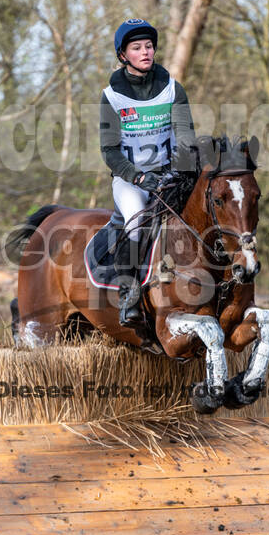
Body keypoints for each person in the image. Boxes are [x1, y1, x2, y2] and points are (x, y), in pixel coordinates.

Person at [100, 19, 196, 326]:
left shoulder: (171, 89)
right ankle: (128, 294)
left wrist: (180, 173)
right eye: (137, 47)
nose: (146, 52)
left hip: (169, 177)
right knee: (138, 220)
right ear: (123, 55)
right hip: (131, 181)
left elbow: (186, 138)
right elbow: (110, 152)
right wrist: (139, 177)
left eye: (149, 46)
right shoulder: (112, 96)